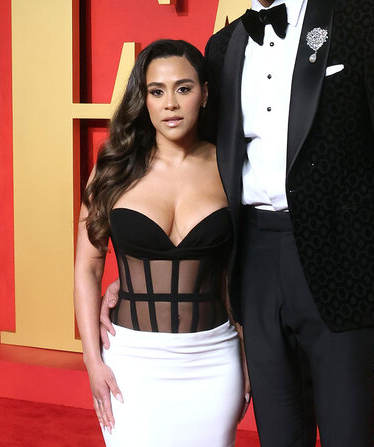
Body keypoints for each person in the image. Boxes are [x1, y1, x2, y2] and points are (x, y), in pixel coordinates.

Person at [103, 0, 374, 447]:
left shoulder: (365, 22)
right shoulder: (221, 48)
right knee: (278, 437)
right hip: (253, 267)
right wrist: (140, 267)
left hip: (347, 270)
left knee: (349, 438)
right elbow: (188, 168)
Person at [74, 39, 247, 447]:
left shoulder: (231, 167)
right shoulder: (113, 168)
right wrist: (92, 359)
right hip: (131, 362)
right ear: (144, 100)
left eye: (183, 89)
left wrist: (246, 354)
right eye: (157, 91)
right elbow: (87, 266)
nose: (170, 103)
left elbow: (243, 269)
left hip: (214, 358)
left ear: (204, 94)